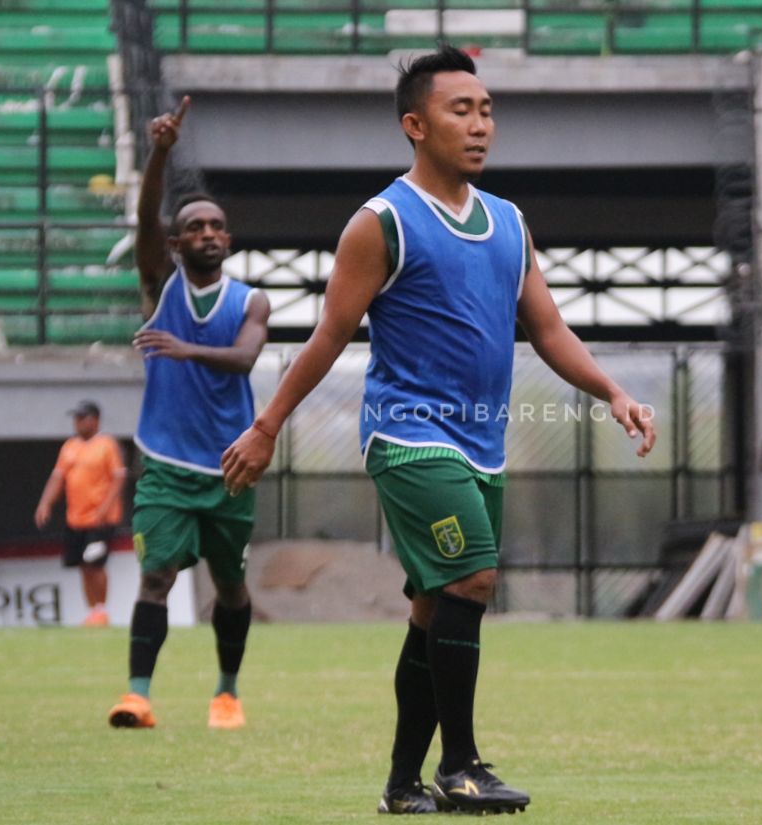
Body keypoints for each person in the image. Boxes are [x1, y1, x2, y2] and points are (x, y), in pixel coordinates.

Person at [221, 46, 656, 815]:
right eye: (463, 110)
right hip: (408, 436)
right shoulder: (380, 222)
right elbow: (328, 336)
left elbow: (549, 329)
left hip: (481, 440)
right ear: (415, 125)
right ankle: (461, 765)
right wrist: (266, 426)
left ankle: (400, 783)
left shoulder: (510, 222)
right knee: (474, 578)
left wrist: (613, 391)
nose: (482, 124)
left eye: (487, 110)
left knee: (435, 606)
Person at [107, 97, 271, 731]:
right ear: (176, 243)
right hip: (167, 466)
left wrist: (184, 349)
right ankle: (137, 696)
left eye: (216, 226)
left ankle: (226, 692)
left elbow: (243, 358)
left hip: (230, 468)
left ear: (227, 240)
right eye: (194, 226)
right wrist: (160, 152)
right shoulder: (161, 285)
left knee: (230, 589)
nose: (206, 233)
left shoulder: (251, 301)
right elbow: (145, 217)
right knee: (157, 577)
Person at [34, 399, 127, 627]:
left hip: (100, 519)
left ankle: (102, 610)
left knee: (95, 562)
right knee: (82, 565)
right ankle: (93, 611)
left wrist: (105, 507)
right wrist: (45, 503)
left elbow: (119, 476)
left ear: (94, 420)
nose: (77, 423)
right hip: (76, 517)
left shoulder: (106, 445)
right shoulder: (69, 447)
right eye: (75, 418)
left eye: (81, 418)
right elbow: (58, 477)